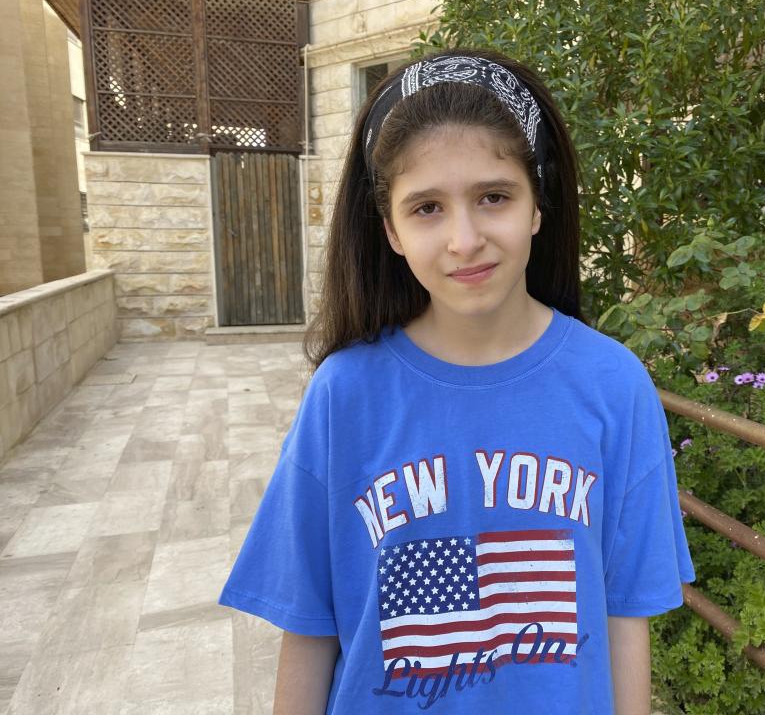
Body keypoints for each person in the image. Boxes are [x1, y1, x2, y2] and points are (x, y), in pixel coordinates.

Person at [218, 47, 696, 715]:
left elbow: (624, 621)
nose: (464, 239)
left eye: (493, 197)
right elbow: (309, 629)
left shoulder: (615, 386)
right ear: (389, 230)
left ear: (537, 207)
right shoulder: (344, 395)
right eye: (427, 208)